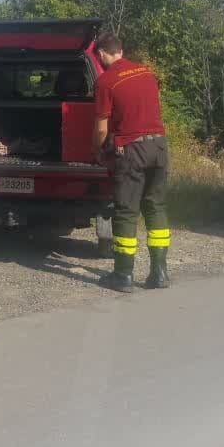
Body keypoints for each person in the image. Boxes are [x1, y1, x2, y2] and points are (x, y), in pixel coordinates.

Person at [90, 31, 170, 293]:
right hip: (158, 146)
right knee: (155, 206)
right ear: (121, 51)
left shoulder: (106, 82)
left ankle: (123, 275)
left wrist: (97, 151)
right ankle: (159, 273)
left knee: (126, 211)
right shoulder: (146, 72)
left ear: (101, 54)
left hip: (132, 150)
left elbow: (102, 128)